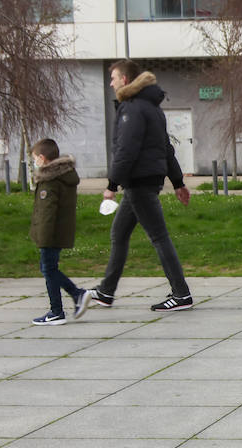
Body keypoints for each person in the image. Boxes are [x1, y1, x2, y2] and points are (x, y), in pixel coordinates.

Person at [86, 60, 193, 313]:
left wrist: (111, 185)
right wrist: (178, 183)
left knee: (159, 237)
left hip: (139, 183)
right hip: (144, 181)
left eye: (113, 77)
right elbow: (166, 149)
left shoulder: (131, 109)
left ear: (125, 79)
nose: (110, 82)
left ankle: (181, 294)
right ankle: (106, 292)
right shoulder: (152, 109)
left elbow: (126, 151)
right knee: (119, 233)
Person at [28, 138, 92, 325]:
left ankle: (58, 310)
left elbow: (47, 213)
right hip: (59, 231)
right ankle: (76, 295)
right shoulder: (63, 176)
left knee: (48, 269)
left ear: (42, 158)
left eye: (34, 158)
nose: (34, 162)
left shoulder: (50, 181)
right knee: (49, 269)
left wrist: (43, 238)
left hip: (51, 234)